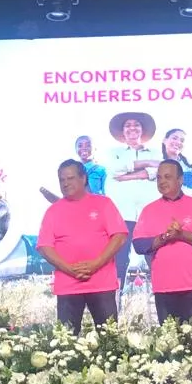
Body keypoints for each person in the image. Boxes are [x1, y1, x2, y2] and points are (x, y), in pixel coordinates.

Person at [36, 159, 127, 333]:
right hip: (68, 285)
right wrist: (69, 269)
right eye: (62, 180)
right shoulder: (53, 211)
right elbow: (44, 246)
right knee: (66, 342)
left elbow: (119, 236)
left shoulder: (103, 204)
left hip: (102, 283)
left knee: (110, 340)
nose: (65, 183)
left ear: (83, 178)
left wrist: (96, 264)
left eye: (70, 178)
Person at [132, 160, 192, 328]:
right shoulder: (149, 210)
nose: (162, 181)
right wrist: (165, 237)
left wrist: (182, 235)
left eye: (167, 177)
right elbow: (139, 245)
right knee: (170, 347)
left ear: (180, 180)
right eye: (158, 178)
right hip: (164, 288)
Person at [105, 112, 160, 296]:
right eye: (128, 125)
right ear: (123, 131)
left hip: (149, 215)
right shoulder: (114, 153)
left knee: (156, 259)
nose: (132, 128)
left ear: (142, 130)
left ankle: (166, 307)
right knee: (119, 261)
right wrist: (145, 163)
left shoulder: (156, 152)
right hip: (122, 214)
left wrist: (129, 175)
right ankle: (113, 310)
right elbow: (113, 170)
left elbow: (158, 171)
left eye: (136, 125)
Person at [40, 136, 108, 203]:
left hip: (95, 208)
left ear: (95, 148)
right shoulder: (69, 171)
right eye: (80, 146)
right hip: (75, 209)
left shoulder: (101, 170)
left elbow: (106, 194)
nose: (84, 148)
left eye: (88, 145)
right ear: (76, 150)